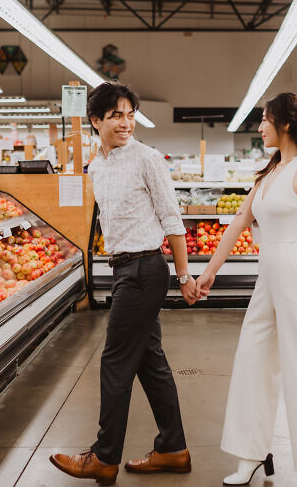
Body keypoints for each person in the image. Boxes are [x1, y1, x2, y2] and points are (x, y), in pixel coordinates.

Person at [196, 93, 297, 487]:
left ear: (284, 124)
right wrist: (210, 271)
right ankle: (251, 453)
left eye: (265, 121)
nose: (260, 127)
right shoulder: (270, 173)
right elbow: (238, 222)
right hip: (268, 273)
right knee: (253, 357)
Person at [49, 81, 199, 485]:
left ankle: (104, 456)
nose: (125, 122)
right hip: (122, 270)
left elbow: (172, 218)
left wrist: (184, 275)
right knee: (151, 363)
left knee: (115, 361)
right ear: (95, 120)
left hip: (145, 270)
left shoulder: (147, 159)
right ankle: (173, 448)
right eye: (116, 115)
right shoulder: (96, 166)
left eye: (130, 114)